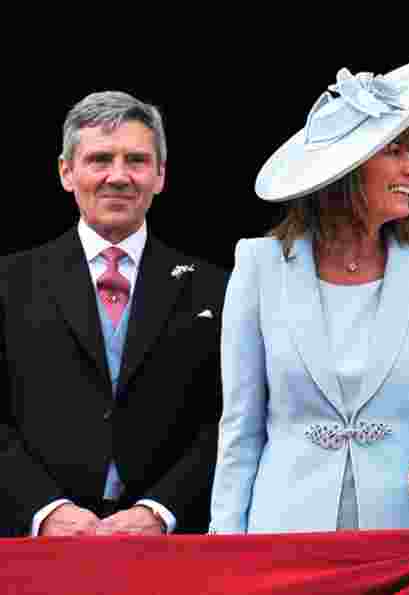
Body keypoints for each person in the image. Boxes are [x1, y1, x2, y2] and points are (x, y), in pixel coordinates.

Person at [208, 61, 409, 533]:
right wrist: (225, 545)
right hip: (282, 533)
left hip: (400, 533)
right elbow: (240, 426)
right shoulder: (258, 265)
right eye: (394, 152)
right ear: (346, 168)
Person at [0, 91, 228, 536]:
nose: (119, 177)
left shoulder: (217, 288)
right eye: (100, 159)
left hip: (171, 546)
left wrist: (160, 510)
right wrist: (44, 510)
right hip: (35, 547)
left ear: (160, 175)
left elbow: (227, 417)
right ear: (67, 172)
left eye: (137, 161)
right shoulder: (10, 283)